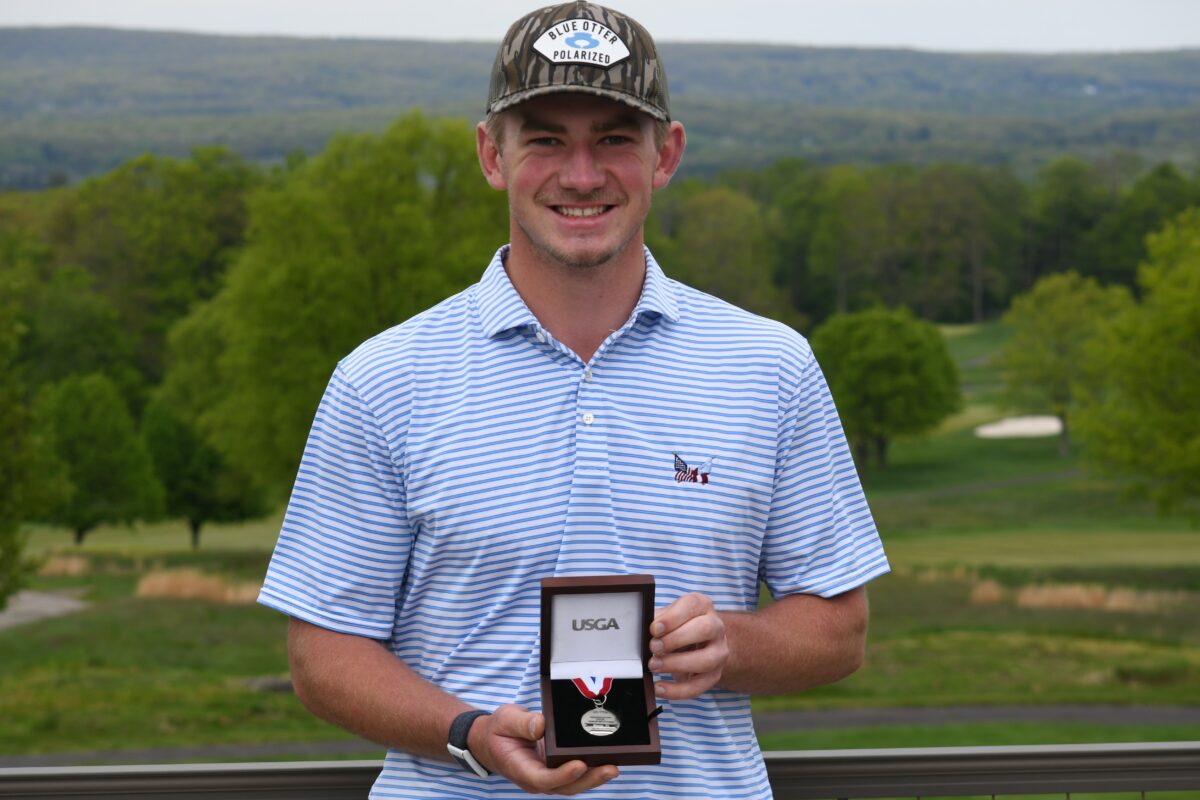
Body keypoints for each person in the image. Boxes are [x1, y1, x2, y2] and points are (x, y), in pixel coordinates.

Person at [257, 2, 890, 797]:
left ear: (668, 154)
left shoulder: (770, 366)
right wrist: (470, 735)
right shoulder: (383, 380)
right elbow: (321, 655)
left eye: (615, 139)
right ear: (492, 154)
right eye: (546, 139)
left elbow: (840, 630)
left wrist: (730, 643)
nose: (582, 175)